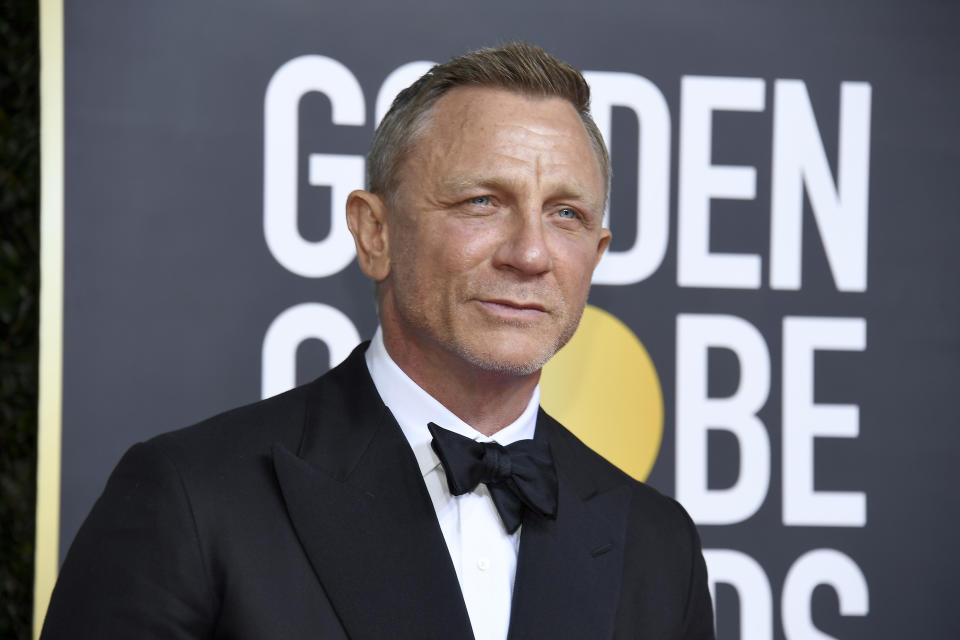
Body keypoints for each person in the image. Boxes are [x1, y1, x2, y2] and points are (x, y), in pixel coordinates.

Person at [41, 43, 715, 639]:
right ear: (375, 233)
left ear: (594, 255)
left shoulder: (658, 548)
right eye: (482, 201)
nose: (531, 253)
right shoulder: (191, 499)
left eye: (566, 214)